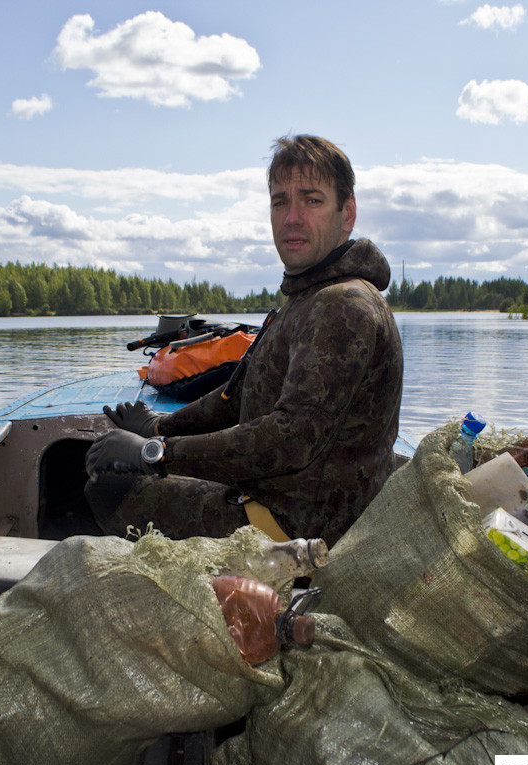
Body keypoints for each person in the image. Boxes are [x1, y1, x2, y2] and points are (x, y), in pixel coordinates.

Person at [85, 134, 403, 547]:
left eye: (311, 200)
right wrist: (159, 426)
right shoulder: (310, 297)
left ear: (347, 213)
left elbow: (291, 439)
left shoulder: (343, 306)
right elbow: (237, 398)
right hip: (285, 498)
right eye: (279, 201)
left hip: (297, 530)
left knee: (107, 488)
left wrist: (158, 454)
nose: (291, 217)